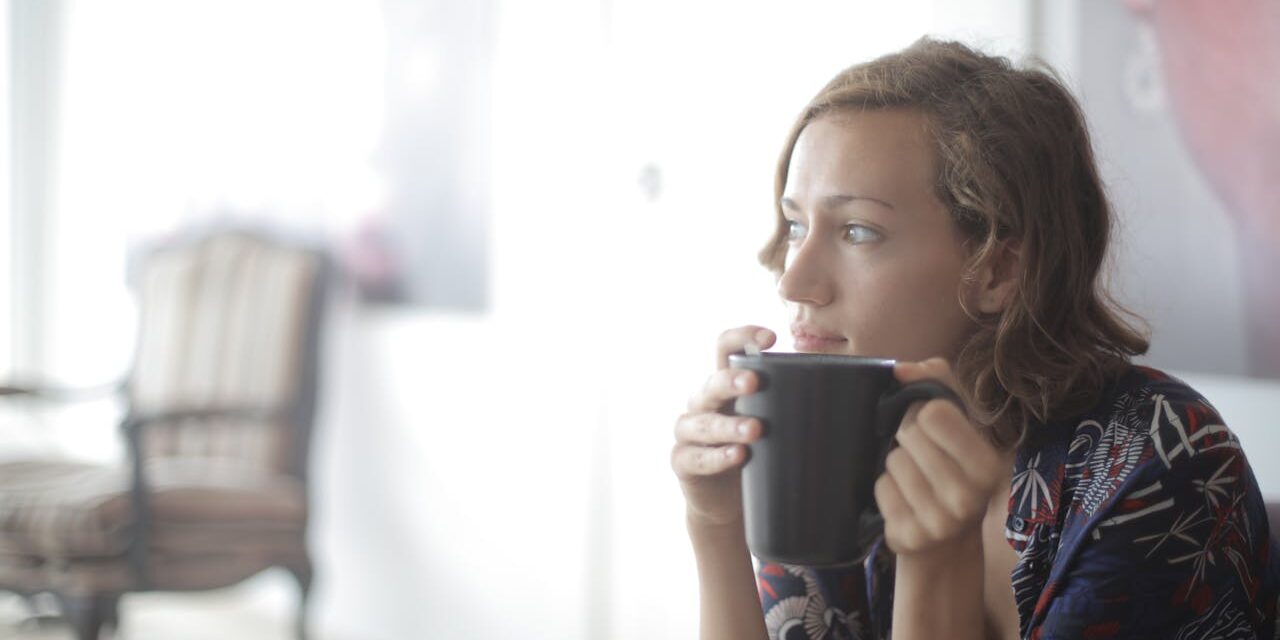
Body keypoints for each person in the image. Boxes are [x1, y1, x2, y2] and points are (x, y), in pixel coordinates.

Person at [671, 38, 1279, 639]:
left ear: (997, 269)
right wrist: (715, 524)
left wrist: (936, 570)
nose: (796, 281)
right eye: (797, 225)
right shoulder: (837, 434)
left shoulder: (1159, 465)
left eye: (858, 231)